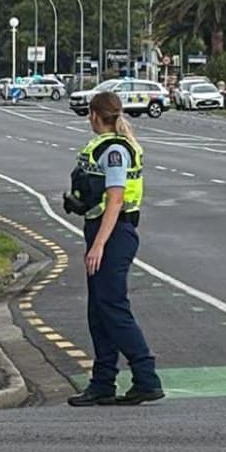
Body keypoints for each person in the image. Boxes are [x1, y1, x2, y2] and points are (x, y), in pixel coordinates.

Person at [63, 92, 165, 407]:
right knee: (99, 311)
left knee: (113, 308)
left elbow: (116, 199)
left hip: (114, 232)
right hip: (105, 229)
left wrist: (98, 245)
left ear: (95, 115)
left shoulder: (116, 150)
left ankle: (146, 378)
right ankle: (102, 383)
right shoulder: (106, 146)